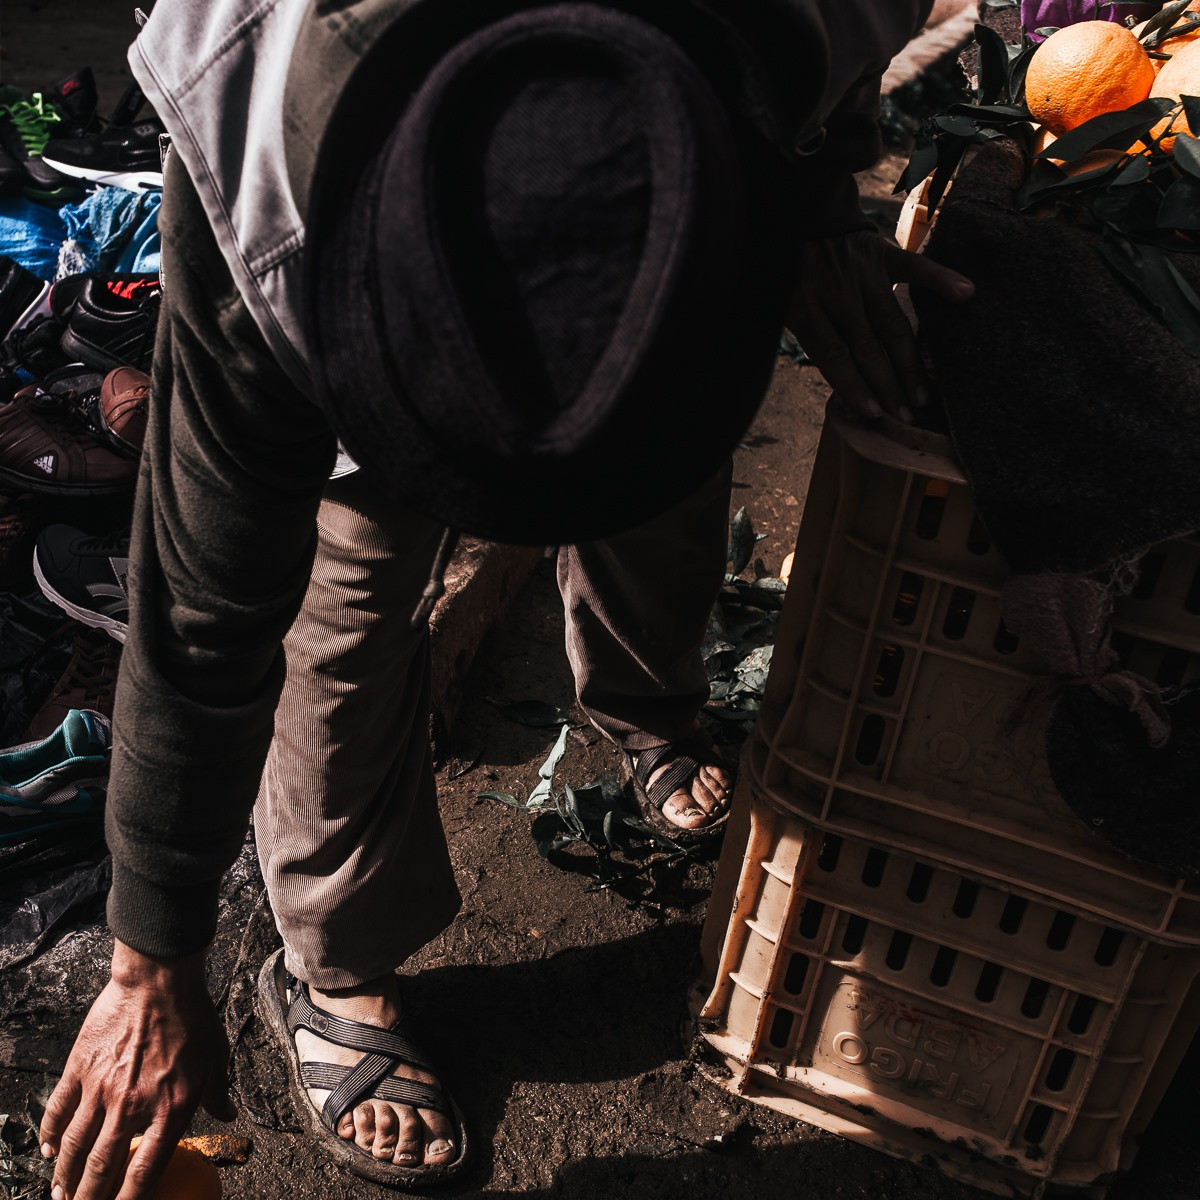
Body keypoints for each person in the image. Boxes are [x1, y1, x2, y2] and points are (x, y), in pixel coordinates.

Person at [36, 1, 975, 1197]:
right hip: (324, 153)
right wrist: (149, 957)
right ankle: (338, 958)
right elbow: (204, 616)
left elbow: (824, 99)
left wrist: (818, 203)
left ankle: (647, 705)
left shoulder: (807, 18)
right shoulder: (259, 176)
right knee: (355, 568)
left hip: (710, 118)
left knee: (644, 445)